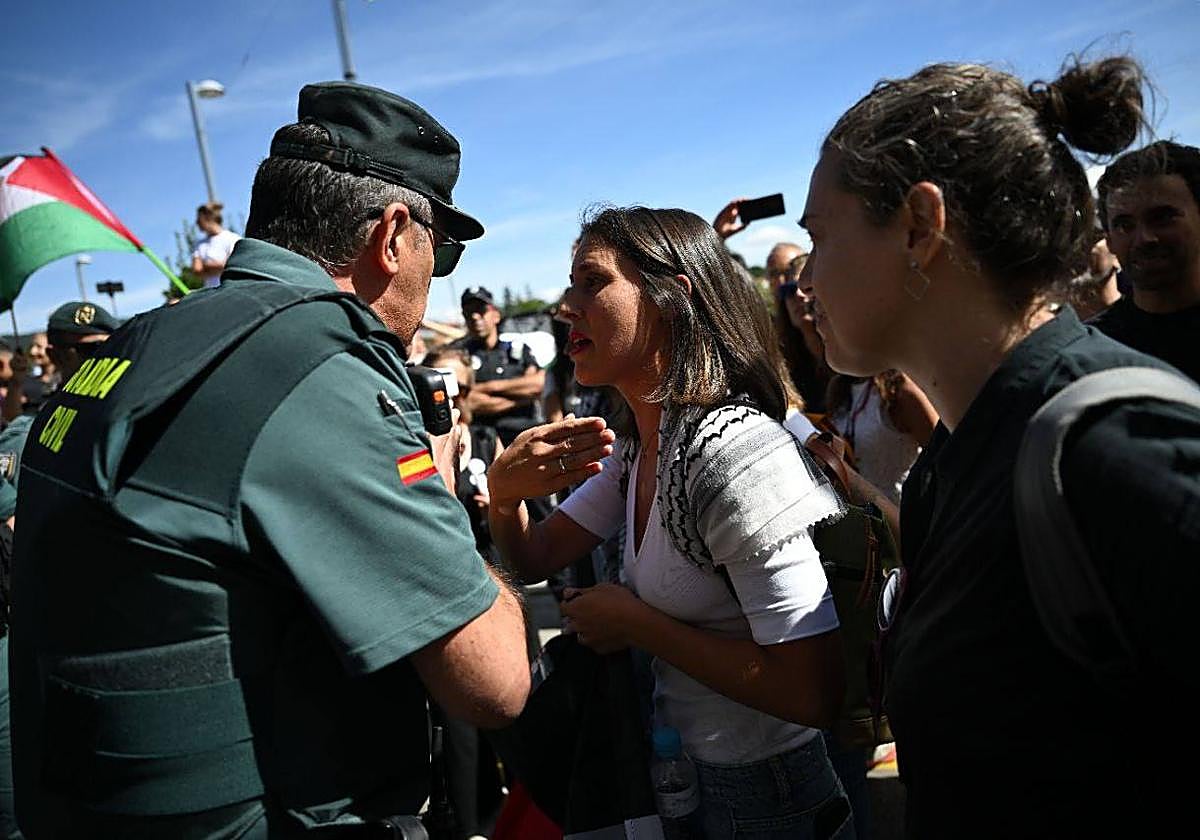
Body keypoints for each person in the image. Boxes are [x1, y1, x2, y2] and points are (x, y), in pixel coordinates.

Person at [9, 81, 529, 836]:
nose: (432, 276)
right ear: (390, 236)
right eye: (438, 248)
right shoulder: (315, 365)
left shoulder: (144, 342)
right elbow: (497, 682)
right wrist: (436, 487)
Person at [803, 54, 1198, 835]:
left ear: (919, 227)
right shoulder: (960, 453)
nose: (805, 279)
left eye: (819, 236)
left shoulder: (1115, 451)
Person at [488, 206, 853, 839]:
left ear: (671, 298)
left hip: (768, 801)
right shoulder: (640, 447)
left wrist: (636, 624)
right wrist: (503, 495)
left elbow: (810, 690)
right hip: (681, 784)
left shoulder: (735, 454)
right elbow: (533, 556)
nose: (565, 307)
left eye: (591, 282)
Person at [1092, 140, 1200, 381]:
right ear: (1108, 240)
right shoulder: (1095, 354)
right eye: (1124, 225)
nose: (1145, 239)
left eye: (1162, 218)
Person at [824, 369, 937, 505]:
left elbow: (942, 453)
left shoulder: (898, 390)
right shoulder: (838, 388)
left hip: (901, 510)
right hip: (859, 511)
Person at [453, 286, 545, 445]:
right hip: (483, 441)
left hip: (524, 437)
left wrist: (487, 388)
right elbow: (468, 402)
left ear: (496, 315)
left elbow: (538, 385)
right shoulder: (459, 355)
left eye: (481, 310)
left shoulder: (517, 350)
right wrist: (521, 399)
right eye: (468, 313)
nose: (475, 317)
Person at [1065, 235, 1122, 320]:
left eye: (1091, 239)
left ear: (1117, 256)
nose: (1077, 247)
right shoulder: (1048, 321)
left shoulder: (1135, 321)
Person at [191, 201, 242, 288]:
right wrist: (220, 266)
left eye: (199, 219)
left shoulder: (232, 239)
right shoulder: (199, 245)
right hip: (210, 293)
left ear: (208, 218)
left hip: (231, 289)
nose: (197, 223)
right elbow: (197, 269)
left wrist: (205, 265)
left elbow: (235, 265)